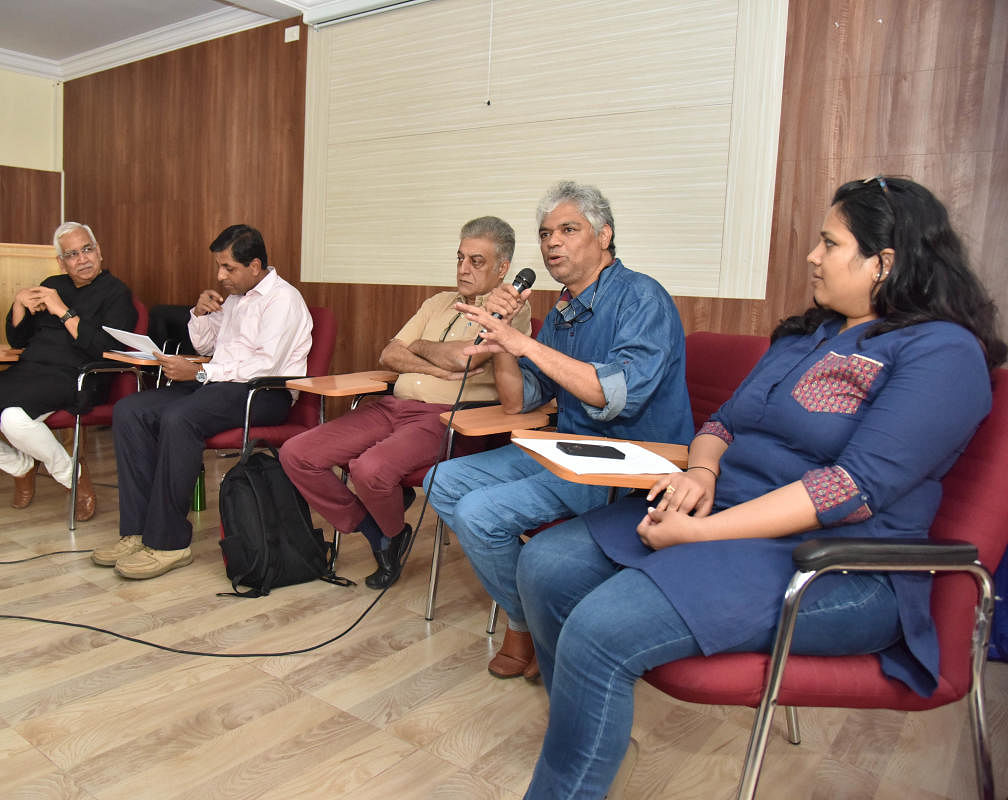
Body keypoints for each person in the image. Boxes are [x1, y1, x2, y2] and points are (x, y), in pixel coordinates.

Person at [515, 177, 1006, 799]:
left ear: (885, 262)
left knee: (597, 629)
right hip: (727, 512)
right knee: (545, 562)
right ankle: (591, 739)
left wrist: (702, 530)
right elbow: (721, 424)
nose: (812, 255)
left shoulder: (941, 351)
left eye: (830, 243)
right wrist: (701, 475)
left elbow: (850, 489)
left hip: (836, 567)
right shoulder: (810, 334)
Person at [426, 180, 694, 678]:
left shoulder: (642, 298)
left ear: (604, 235)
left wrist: (525, 346)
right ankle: (531, 614)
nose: (552, 242)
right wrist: (504, 339)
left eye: (568, 229)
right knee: (441, 482)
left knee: (481, 513)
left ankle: (524, 623)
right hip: (568, 449)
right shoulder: (566, 312)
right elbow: (519, 400)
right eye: (546, 233)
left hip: (628, 462)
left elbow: (613, 395)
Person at [280, 217, 532, 590]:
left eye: (476, 262)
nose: (463, 268)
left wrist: (418, 347)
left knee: (369, 469)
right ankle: (380, 530)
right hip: (391, 406)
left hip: (448, 420)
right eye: (460, 257)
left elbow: (467, 359)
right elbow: (389, 354)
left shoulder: (511, 311)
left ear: (503, 268)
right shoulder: (437, 303)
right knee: (297, 453)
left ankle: (388, 523)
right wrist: (427, 355)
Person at [92, 224, 313, 580]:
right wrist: (199, 313)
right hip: (221, 384)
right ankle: (136, 530)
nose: (220, 275)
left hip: (265, 393)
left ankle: (168, 543)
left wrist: (198, 375)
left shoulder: (283, 300)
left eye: (229, 268)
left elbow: (264, 365)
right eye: (219, 266)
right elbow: (207, 348)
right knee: (130, 410)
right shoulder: (239, 297)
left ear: (255, 265)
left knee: (181, 418)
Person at [0, 222, 136, 521]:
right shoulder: (52, 284)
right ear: (61, 261)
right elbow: (19, 340)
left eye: (87, 249)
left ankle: (71, 476)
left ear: (100, 252)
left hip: (77, 377)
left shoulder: (117, 293)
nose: (82, 259)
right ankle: (19, 466)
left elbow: (104, 349)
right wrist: (18, 305)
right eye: (72, 254)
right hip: (28, 371)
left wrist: (63, 311)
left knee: (13, 419)